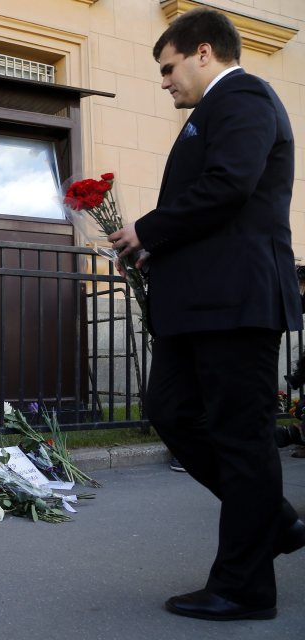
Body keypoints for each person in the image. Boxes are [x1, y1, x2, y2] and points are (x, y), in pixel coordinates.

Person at [108, 8, 305, 622]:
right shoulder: (211, 112)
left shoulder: (244, 95)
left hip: (237, 302)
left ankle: (245, 587)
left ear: (202, 52)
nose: (164, 81)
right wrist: (153, 249)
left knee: (242, 439)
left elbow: (229, 186)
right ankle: (270, 520)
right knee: (170, 410)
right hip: (200, 306)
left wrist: (149, 229)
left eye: (168, 68)